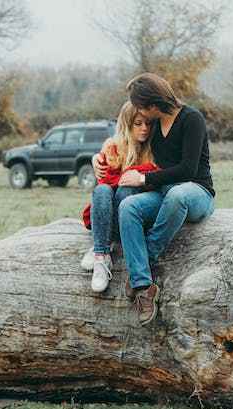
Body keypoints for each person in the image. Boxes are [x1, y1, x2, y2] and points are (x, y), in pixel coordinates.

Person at [117, 73, 216, 326]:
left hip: (195, 193)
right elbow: (125, 139)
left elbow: (188, 170)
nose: (139, 112)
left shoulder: (191, 119)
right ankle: (143, 286)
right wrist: (99, 159)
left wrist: (143, 180)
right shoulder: (154, 126)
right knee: (129, 207)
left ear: (152, 104)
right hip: (163, 193)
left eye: (141, 106)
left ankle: (145, 260)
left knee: (177, 194)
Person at [80, 101, 156, 293]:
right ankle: (101, 255)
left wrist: (134, 176)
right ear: (126, 124)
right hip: (110, 210)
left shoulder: (154, 147)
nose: (144, 129)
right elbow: (104, 178)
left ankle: (101, 243)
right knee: (102, 190)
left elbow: (155, 174)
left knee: (126, 190)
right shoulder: (114, 147)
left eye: (148, 124)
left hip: (133, 218)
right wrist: (97, 160)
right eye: (138, 124)